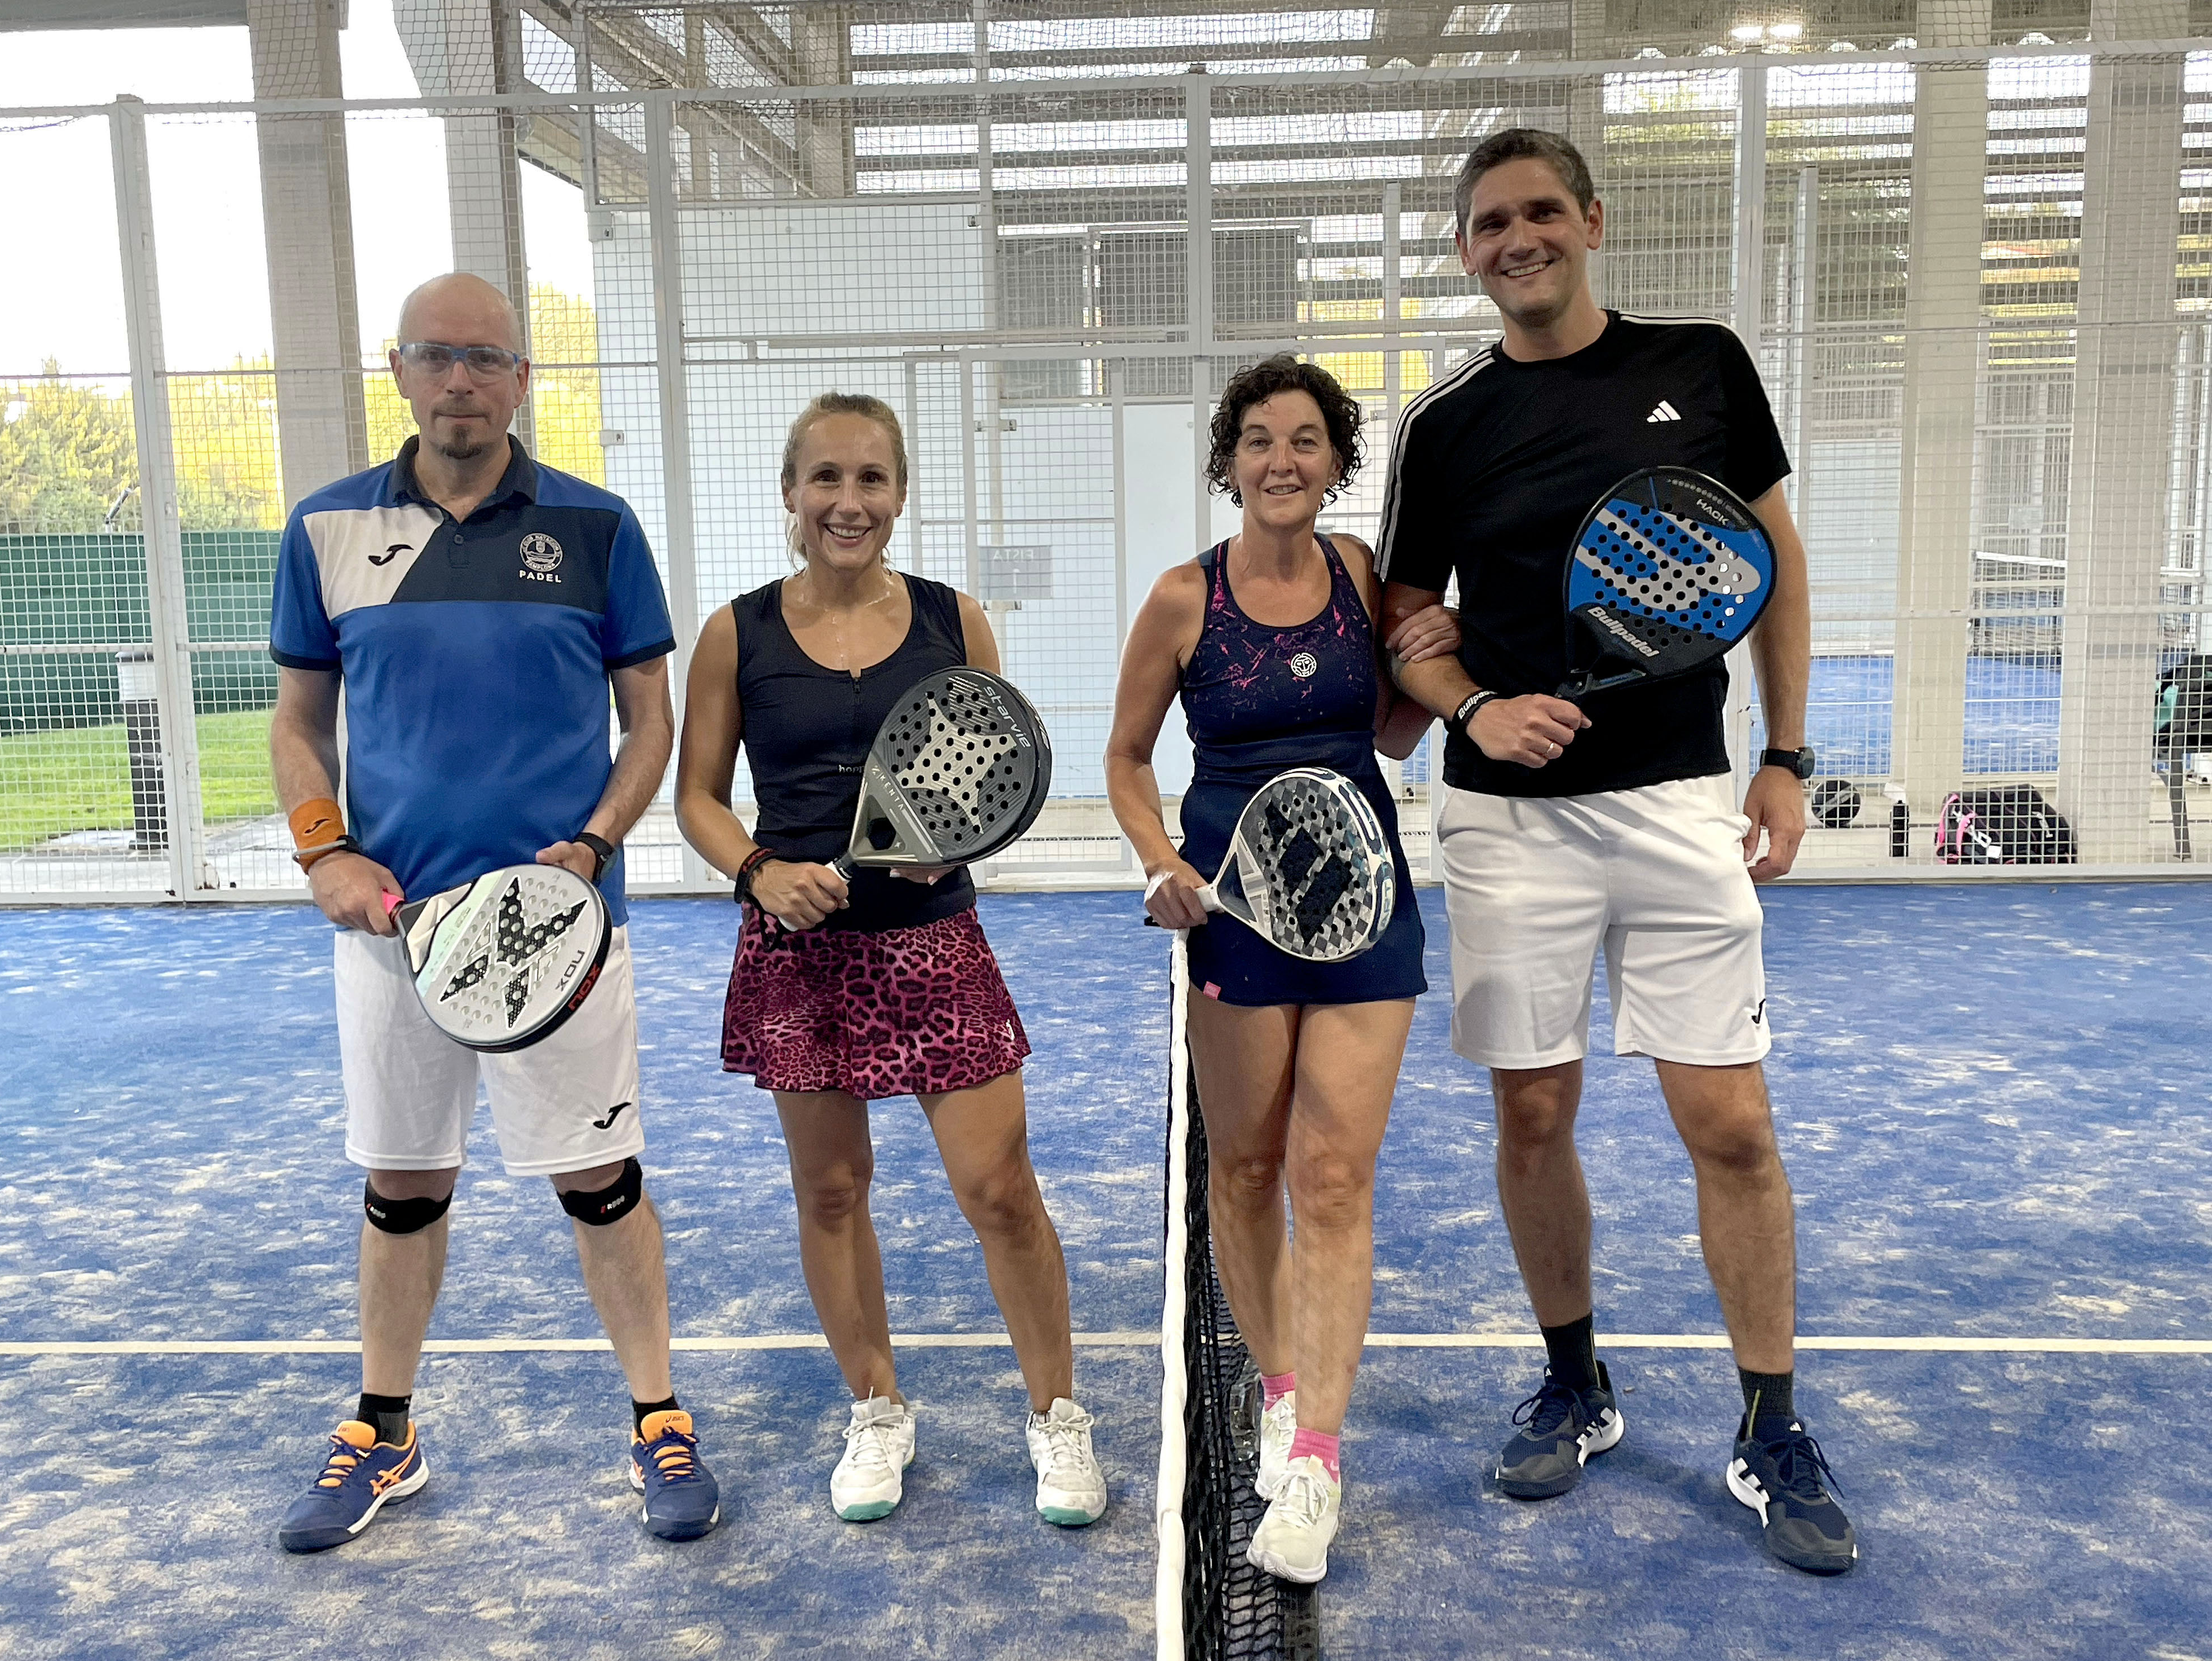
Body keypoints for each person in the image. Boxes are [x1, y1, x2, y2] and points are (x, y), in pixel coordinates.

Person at [1377, 129, 1855, 1575]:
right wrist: (1474, 706)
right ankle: (1573, 1382)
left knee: (1732, 1126)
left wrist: (1784, 755)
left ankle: (1771, 1423)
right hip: (1507, 823)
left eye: (1539, 212)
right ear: (1465, 251)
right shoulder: (1443, 424)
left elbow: (1769, 564)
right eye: (1488, 223)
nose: (1516, 239)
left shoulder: (1702, 366)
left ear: (1590, 221)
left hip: (1678, 806)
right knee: (1533, 1116)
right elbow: (1405, 619)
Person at [266, 274, 716, 1550]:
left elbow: (650, 721)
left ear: (522, 379)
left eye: (484, 358)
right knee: (402, 1183)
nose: (459, 379)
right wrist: (324, 853)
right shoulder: (325, 528)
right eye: (435, 355)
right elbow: (298, 723)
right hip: (395, 926)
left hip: (559, 929)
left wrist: (595, 843)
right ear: (399, 371)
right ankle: (384, 1434)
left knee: (599, 1179)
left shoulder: (597, 526)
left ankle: (659, 1418)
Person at [674, 391, 1106, 1528]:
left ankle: (1057, 1415)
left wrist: (951, 848)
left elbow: (995, 769)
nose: (847, 501)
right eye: (825, 477)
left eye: (870, 478)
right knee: (830, 1191)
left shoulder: (955, 620)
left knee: (999, 1189)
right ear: (790, 492)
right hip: (798, 955)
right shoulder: (735, 634)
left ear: (901, 494)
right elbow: (697, 797)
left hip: (932, 944)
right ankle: (875, 1409)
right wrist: (759, 871)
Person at [1105, 355, 1459, 1583]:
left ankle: (1315, 1457)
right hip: (1234, 907)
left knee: (1334, 1175)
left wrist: (1438, 663)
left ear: (1335, 462)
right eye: (1258, 440)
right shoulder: (1180, 599)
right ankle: (1277, 1384)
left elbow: (1388, 729)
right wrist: (1160, 862)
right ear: (1229, 462)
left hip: (1361, 901)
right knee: (1248, 1169)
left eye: (1306, 440)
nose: (1281, 461)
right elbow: (1124, 757)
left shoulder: (1359, 574)